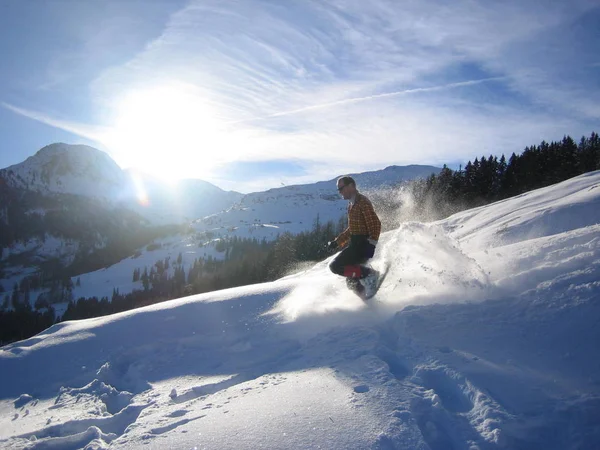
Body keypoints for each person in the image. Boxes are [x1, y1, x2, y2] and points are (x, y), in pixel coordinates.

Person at [327, 176, 381, 297]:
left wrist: (371, 244)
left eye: (341, 188)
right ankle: (366, 303)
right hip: (356, 243)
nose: (339, 192)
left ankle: (370, 274)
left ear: (351, 186)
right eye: (338, 189)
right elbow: (352, 229)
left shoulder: (363, 202)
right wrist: (337, 242)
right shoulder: (351, 204)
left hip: (362, 245)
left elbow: (375, 223)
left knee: (335, 266)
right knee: (351, 281)